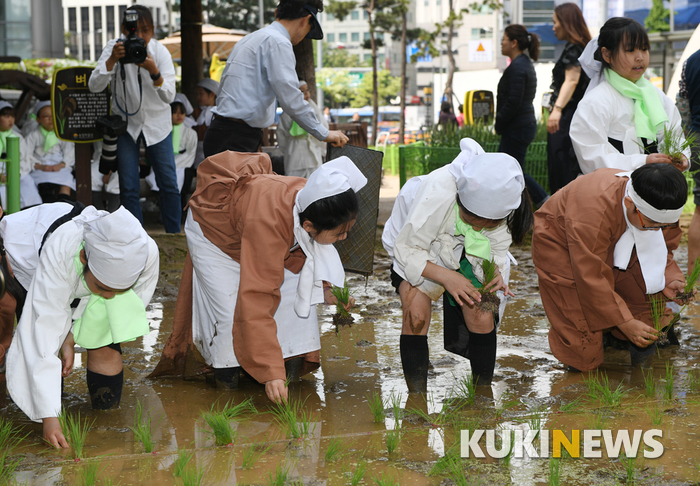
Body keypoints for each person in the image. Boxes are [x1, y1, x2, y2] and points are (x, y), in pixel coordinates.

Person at [150, 153, 364, 404]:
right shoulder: (270, 222)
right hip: (215, 235)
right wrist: (270, 373)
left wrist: (325, 289)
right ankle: (228, 383)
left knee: (296, 304)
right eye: (340, 233)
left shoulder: (316, 199)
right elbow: (256, 299)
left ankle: (289, 365)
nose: (345, 238)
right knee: (231, 312)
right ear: (308, 226)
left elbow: (314, 249)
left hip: (253, 224)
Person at [381, 139, 533, 392]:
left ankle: (482, 393)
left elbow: (495, 247)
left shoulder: (503, 198)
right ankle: (416, 399)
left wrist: (493, 269)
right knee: (416, 316)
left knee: (481, 312)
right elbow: (407, 250)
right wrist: (448, 278)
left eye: (486, 223)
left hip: (471, 249)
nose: (477, 227)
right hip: (419, 245)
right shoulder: (437, 193)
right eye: (471, 219)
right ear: (460, 201)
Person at [2, 204, 159, 448]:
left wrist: (73, 336)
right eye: (103, 288)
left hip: (80, 269)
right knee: (46, 345)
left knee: (106, 337)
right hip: (30, 255)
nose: (108, 296)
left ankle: (106, 421)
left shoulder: (144, 253)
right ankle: (50, 412)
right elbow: (43, 332)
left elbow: (124, 308)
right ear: (84, 258)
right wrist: (49, 419)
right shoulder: (60, 252)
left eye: (117, 290)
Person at [532, 164, 687, 371]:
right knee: (581, 327)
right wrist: (624, 322)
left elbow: (663, 248)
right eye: (652, 225)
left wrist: (670, 277)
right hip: (564, 246)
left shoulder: (657, 207)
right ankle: (584, 374)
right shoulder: (592, 210)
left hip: (615, 237)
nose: (658, 230)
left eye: (664, 226)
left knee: (647, 289)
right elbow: (590, 276)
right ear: (629, 203)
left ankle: (643, 366)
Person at [204, 0, 348, 155]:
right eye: (309, 28)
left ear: (276, 13)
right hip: (237, 137)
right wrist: (324, 133)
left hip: (222, 131)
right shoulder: (279, 43)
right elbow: (291, 99)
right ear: (306, 19)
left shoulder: (250, 38)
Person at [88, 5, 182, 233]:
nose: (140, 36)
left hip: (157, 125)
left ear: (153, 30)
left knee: (168, 183)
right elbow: (94, 86)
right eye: (133, 30)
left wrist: (154, 71)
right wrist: (111, 62)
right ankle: (137, 239)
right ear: (123, 29)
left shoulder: (159, 52)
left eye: (145, 30)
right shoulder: (115, 48)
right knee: (128, 186)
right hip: (126, 126)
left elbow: (169, 95)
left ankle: (175, 236)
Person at [571, 18, 690, 175]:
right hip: (615, 194)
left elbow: (674, 134)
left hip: (658, 191)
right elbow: (592, 156)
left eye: (644, 49)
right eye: (630, 50)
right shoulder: (595, 102)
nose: (640, 57)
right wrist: (643, 162)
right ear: (606, 54)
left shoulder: (656, 96)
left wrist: (681, 157)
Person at [496, 25, 549, 208]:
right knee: (510, 170)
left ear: (514, 43)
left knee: (512, 171)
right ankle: (517, 210)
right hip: (521, 125)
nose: (501, 43)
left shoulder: (518, 67)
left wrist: (499, 121)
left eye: (503, 39)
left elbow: (513, 102)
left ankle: (544, 201)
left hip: (517, 127)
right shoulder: (523, 64)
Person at [546, 3, 591, 193]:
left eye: (556, 22)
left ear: (566, 23)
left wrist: (557, 110)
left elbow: (571, 81)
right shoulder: (582, 47)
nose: (554, 26)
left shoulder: (574, 48)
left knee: (561, 164)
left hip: (567, 116)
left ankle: (562, 214)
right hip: (574, 116)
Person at [145, 97, 197, 194]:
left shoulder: (191, 133)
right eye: (175, 112)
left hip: (183, 164)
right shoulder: (162, 132)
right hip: (164, 162)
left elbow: (190, 154)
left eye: (182, 112)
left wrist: (173, 164)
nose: (179, 115)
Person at [26, 101, 76, 203]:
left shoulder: (62, 134)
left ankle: (64, 205)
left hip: (59, 166)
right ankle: (47, 204)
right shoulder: (33, 135)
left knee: (66, 179)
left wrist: (61, 165)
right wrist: (40, 167)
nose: (50, 119)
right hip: (41, 166)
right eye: (46, 116)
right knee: (40, 180)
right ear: (38, 119)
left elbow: (69, 152)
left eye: (52, 116)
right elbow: (26, 154)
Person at [277, 80, 327, 177]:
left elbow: (324, 127)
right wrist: (287, 150)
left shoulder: (314, 108)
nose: (306, 93)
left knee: (314, 180)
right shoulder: (287, 113)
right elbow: (281, 134)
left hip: (312, 151)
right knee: (295, 182)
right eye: (302, 91)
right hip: (294, 152)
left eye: (307, 90)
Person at [0, 101, 42, 209]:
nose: (10, 120)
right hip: (1, 174)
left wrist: (17, 173)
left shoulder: (17, 136)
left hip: (17, 171)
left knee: (27, 185)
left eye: (12, 116)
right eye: (6, 116)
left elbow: (25, 158)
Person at [193, 78, 219, 168]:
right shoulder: (195, 113)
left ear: (212, 94)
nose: (198, 97)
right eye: (197, 94)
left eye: (201, 93)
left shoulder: (219, 114)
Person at [90, 140, 120, 212]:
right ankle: (100, 213)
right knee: (91, 176)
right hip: (98, 161)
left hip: (119, 161)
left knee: (117, 179)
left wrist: (108, 173)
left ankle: (112, 212)